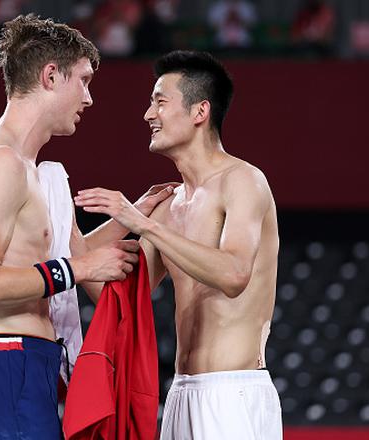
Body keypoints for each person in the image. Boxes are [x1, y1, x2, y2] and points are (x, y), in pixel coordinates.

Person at [0, 14, 173, 440]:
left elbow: (68, 252)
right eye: (83, 81)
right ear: (50, 76)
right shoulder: (0, 163)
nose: (88, 99)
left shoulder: (25, 167)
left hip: (19, 366)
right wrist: (82, 271)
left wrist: (135, 213)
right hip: (3, 365)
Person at [74, 50, 282, 439]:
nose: (148, 115)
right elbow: (109, 293)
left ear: (200, 112)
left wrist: (140, 223)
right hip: (180, 394)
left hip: (233, 393)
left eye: (159, 102)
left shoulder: (244, 181)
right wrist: (68, 227)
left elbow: (234, 274)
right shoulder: (168, 206)